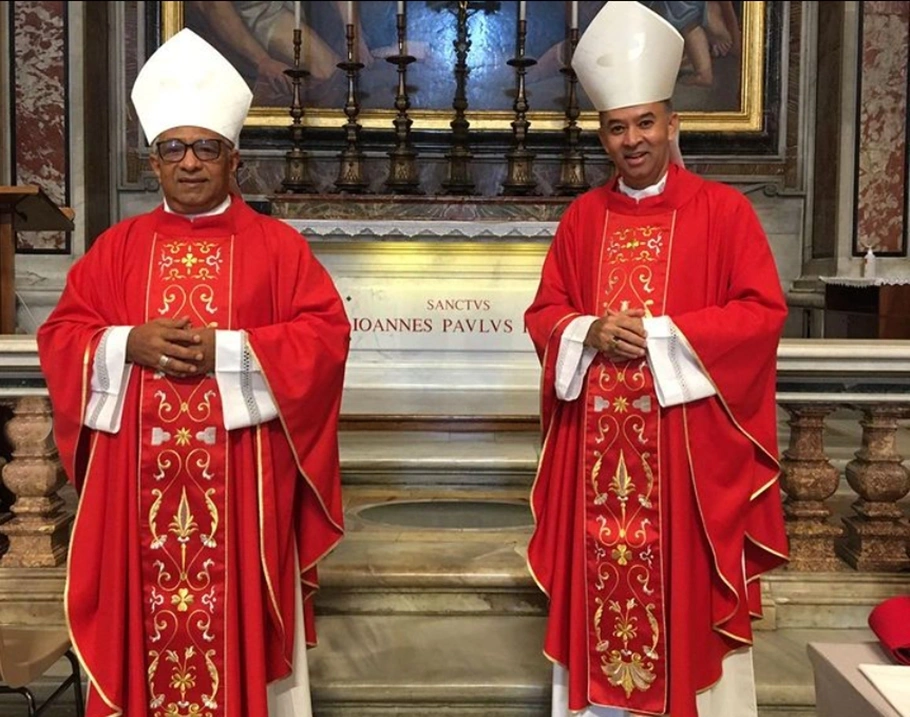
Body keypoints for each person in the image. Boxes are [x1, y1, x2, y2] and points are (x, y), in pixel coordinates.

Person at [36, 28, 351, 717]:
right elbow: (61, 336)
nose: (188, 163)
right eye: (172, 148)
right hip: (137, 504)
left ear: (233, 157)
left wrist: (230, 353)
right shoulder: (117, 249)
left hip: (240, 499)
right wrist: (126, 344)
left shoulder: (277, 248)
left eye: (206, 147)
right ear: (153, 161)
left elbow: (324, 337)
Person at [523, 3, 788, 717]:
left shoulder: (723, 213)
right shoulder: (583, 220)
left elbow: (761, 316)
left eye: (645, 122)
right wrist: (587, 330)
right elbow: (544, 314)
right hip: (597, 476)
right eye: (617, 126)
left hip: (686, 470)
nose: (632, 139)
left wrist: (662, 335)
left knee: (684, 609)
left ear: (673, 125)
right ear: (602, 135)